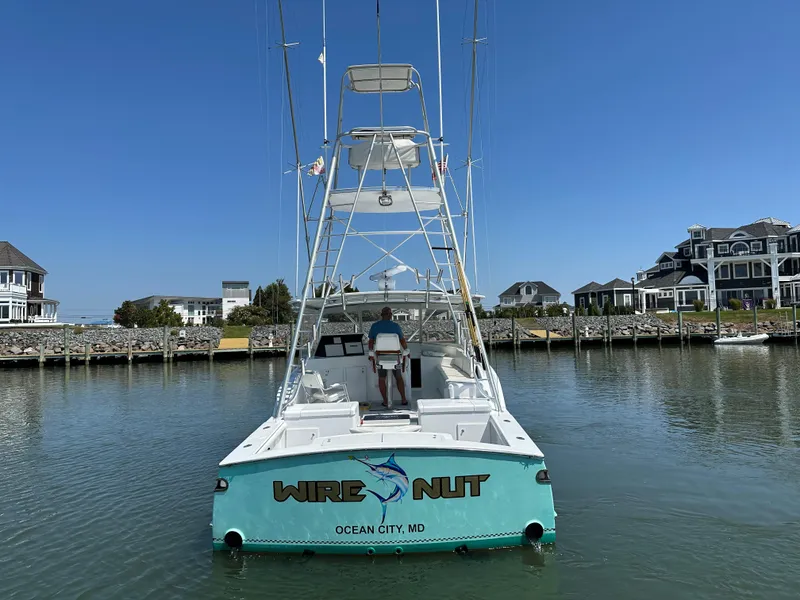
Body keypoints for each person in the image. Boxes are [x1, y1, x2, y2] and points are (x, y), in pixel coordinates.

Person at [368, 306, 409, 407]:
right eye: (390, 314)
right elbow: (402, 341)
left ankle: (386, 401)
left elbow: (371, 341)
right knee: (398, 377)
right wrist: (407, 350)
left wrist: (371, 353)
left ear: (381, 315)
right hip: (395, 357)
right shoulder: (396, 326)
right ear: (390, 315)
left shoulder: (375, 326)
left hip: (380, 357)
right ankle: (403, 399)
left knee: (382, 378)